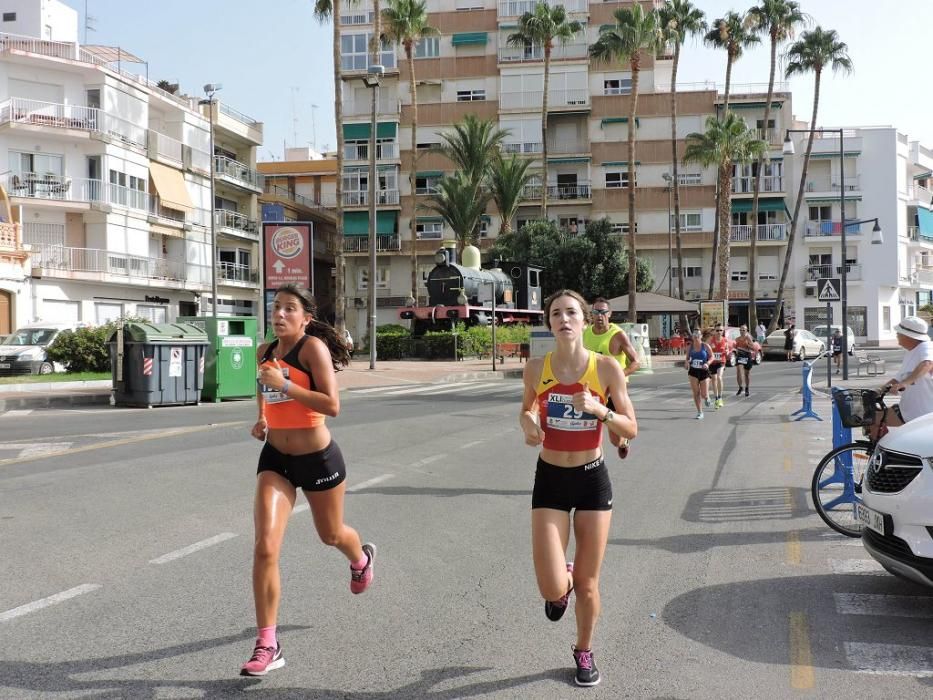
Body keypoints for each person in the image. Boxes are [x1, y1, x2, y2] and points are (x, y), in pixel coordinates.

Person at [242, 284, 375, 677]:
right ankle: (268, 642)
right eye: (275, 308)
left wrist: (286, 385)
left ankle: (361, 558)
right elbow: (264, 386)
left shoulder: (312, 349)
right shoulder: (265, 352)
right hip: (276, 459)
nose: (279, 315)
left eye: (288, 309)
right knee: (265, 546)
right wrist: (263, 415)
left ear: (305, 318)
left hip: (318, 458)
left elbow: (332, 405)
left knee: (331, 534)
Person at [519, 290, 637, 687]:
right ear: (549, 323)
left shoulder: (606, 369)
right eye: (556, 313)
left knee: (589, 584)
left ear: (584, 321)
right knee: (551, 588)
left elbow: (630, 428)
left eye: (572, 312)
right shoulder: (536, 367)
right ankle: (561, 581)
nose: (564, 318)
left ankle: (584, 650)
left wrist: (600, 410)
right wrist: (530, 427)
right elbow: (526, 410)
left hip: (591, 478)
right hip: (550, 480)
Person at [582, 297, 639, 459]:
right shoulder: (585, 333)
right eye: (595, 312)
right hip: (592, 390)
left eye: (603, 312)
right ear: (591, 314)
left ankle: (623, 442)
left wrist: (619, 375)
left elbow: (636, 362)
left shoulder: (618, 335)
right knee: (589, 431)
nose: (599, 315)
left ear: (610, 314)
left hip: (615, 391)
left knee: (615, 440)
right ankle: (594, 465)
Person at [868, 316, 933, 440]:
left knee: (873, 419)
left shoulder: (926, 347)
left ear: (909, 336)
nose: (897, 335)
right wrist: (879, 391)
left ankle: (886, 454)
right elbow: (897, 379)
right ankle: (885, 453)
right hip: (908, 410)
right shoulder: (911, 352)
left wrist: (905, 383)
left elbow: (927, 364)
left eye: (899, 333)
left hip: (923, 415)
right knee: (871, 419)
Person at [684, 330, 712, 419]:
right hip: (693, 371)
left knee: (703, 394)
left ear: (701, 336)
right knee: (696, 393)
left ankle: (707, 398)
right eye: (694, 335)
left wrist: (707, 363)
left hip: (704, 371)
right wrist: (687, 362)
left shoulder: (705, 346)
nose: (696, 336)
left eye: (698, 335)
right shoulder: (690, 347)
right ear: (692, 337)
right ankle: (700, 412)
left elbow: (712, 356)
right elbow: (687, 358)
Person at [707, 325, 730, 408]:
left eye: (721, 330)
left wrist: (727, 352)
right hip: (713, 362)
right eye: (717, 330)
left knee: (719, 377)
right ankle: (716, 398)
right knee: (714, 379)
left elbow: (727, 349)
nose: (719, 332)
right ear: (714, 331)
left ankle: (720, 397)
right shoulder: (711, 340)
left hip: (721, 361)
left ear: (723, 331)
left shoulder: (725, 340)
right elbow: (706, 349)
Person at [734, 325, 755, 397]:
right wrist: (735, 349)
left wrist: (748, 345)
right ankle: (740, 387)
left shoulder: (748, 338)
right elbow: (735, 347)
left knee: (746, 374)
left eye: (743, 330)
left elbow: (753, 348)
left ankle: (747, 388)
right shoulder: (737, 339)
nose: (742, 331)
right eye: (741, 330)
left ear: (746, 331)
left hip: (747, 355)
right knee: (739, 371)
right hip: (740, 356)